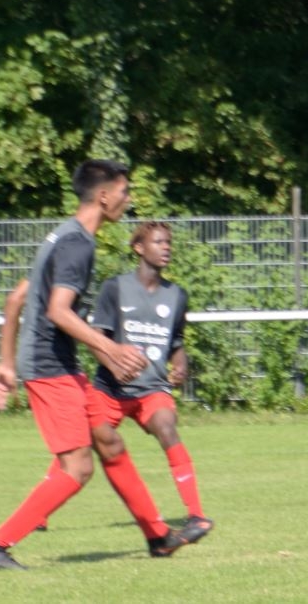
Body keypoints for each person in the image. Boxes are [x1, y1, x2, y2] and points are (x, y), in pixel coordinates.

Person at [0, 160, 188, 570]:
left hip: (58, 364)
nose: (128, 200)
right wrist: (112, 349)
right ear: (104, 196)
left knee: (109, 442)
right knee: (78, 467)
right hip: (50, 368)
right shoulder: (78, 244)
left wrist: (5, 364)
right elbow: (58, 311)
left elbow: (18, 298)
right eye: (125, 192)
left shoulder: (63, 235)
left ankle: (157, 536)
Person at [87, 221, 213, 544]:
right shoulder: (114, 288)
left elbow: (177, 343)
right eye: (158, 242)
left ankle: (197, 515)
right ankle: (42, 513)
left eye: (168, 242)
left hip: (152, 390)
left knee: (168, 428)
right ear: (139, 249)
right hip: (109, 390)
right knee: (81, 445)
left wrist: (180, 366)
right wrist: (115, 366)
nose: (166, 247)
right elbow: (96, 338)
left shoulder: (177, 295)